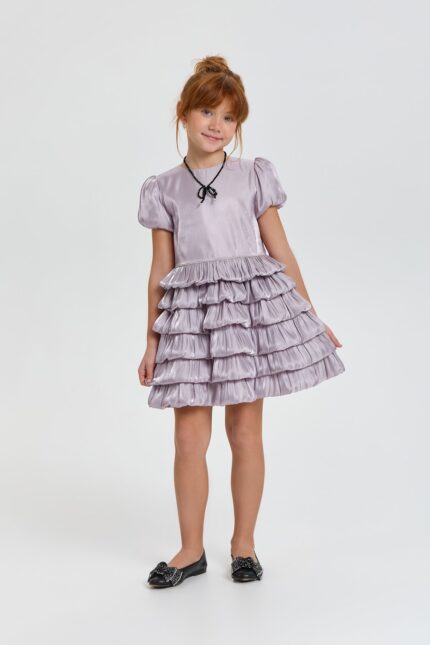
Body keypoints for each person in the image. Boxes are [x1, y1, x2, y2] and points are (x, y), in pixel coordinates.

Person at [137, 55, 346, 588]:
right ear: (183, 112)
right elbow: (160, 271)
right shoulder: (164, 188)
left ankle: (243, 544)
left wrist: (309, 316)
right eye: (207, 112)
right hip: (191, 321)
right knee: (189, 438)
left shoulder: (252, 175)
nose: (217, 125)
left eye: (229, 117)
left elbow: (281, 251)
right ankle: (190, 550)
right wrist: (152, 341)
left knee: (245, 431)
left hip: (245, 317)